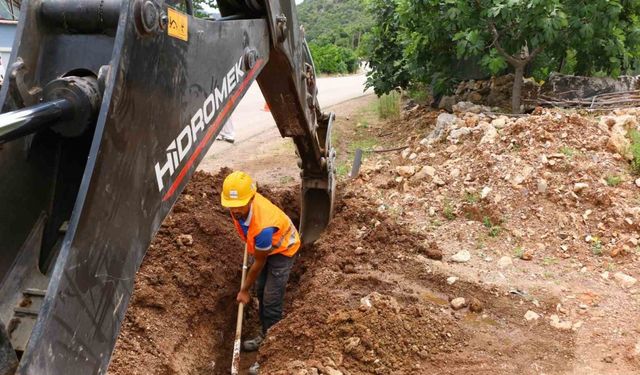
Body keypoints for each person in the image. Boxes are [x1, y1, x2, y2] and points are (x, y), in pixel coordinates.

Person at [220, 171, 300, 373]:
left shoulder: (263, 226)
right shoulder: (239, 208)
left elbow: (259, 262)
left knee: (272, 301)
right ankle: (265, 334)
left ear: (252, 198)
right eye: (231, 205)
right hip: (265, 248)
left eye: (239, 205)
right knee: (262, 290)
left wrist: (244, 290)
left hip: (282, 250)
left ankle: (272, 351)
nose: (235, 210)